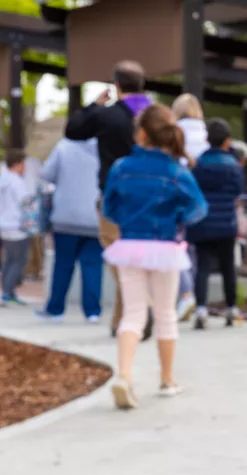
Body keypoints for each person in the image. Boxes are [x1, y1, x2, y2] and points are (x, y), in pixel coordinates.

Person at [101, 104, 207, 409]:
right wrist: (176, 218)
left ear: (142, 133)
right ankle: (167, 379)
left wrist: (127, 219)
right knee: (165, 315)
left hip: (130, 244)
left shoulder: (121, 167)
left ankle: (123, 375)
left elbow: (108, 208)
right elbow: (198, 208)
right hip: (165, 248)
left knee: (132, 314)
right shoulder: (177, 170)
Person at [64, 59, 155, 340]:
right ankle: (122, 321)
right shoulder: (154, 115)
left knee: (118, 255)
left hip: (115, 195)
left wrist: (94, 104)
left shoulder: (107, 116)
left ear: (115, 85)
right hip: (151, 195)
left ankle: (142, 304)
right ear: (142, 85)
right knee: (141, 254)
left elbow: (73, 130)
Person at [36, 137, 105, 324]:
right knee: (93, 266)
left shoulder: (64, 146)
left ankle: (56, 310)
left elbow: (47, 173)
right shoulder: (104, 146)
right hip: (95, 217)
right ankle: (92, 312)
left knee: (63, 265)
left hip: (66, 216)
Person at [187, 119, 245, 330]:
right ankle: (231, 308)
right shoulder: (233, 166)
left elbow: (193, 191)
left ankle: (201, 308)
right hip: (227, 222)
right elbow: (238, 191)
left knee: (202, 267)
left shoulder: (199, 164)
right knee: (228, 266)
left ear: (207, 139)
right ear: (227, 141)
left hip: (202, 221)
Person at [172, 93, 208, 322]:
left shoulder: (175, 133)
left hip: (180, 193)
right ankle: (194, 292)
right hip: (203, 196)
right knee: (196, 250)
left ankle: (186, 292)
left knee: (177, 245)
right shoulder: (206, 134)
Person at [0, 151, 37, 307]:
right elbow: (26, 203)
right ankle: (7, 293)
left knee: (8, 260)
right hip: (17, 225)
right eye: (23, 164)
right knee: (19, 260)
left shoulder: (1, 180)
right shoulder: (16, 182)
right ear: (17, 164)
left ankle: (9, 292)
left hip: (3, 224)